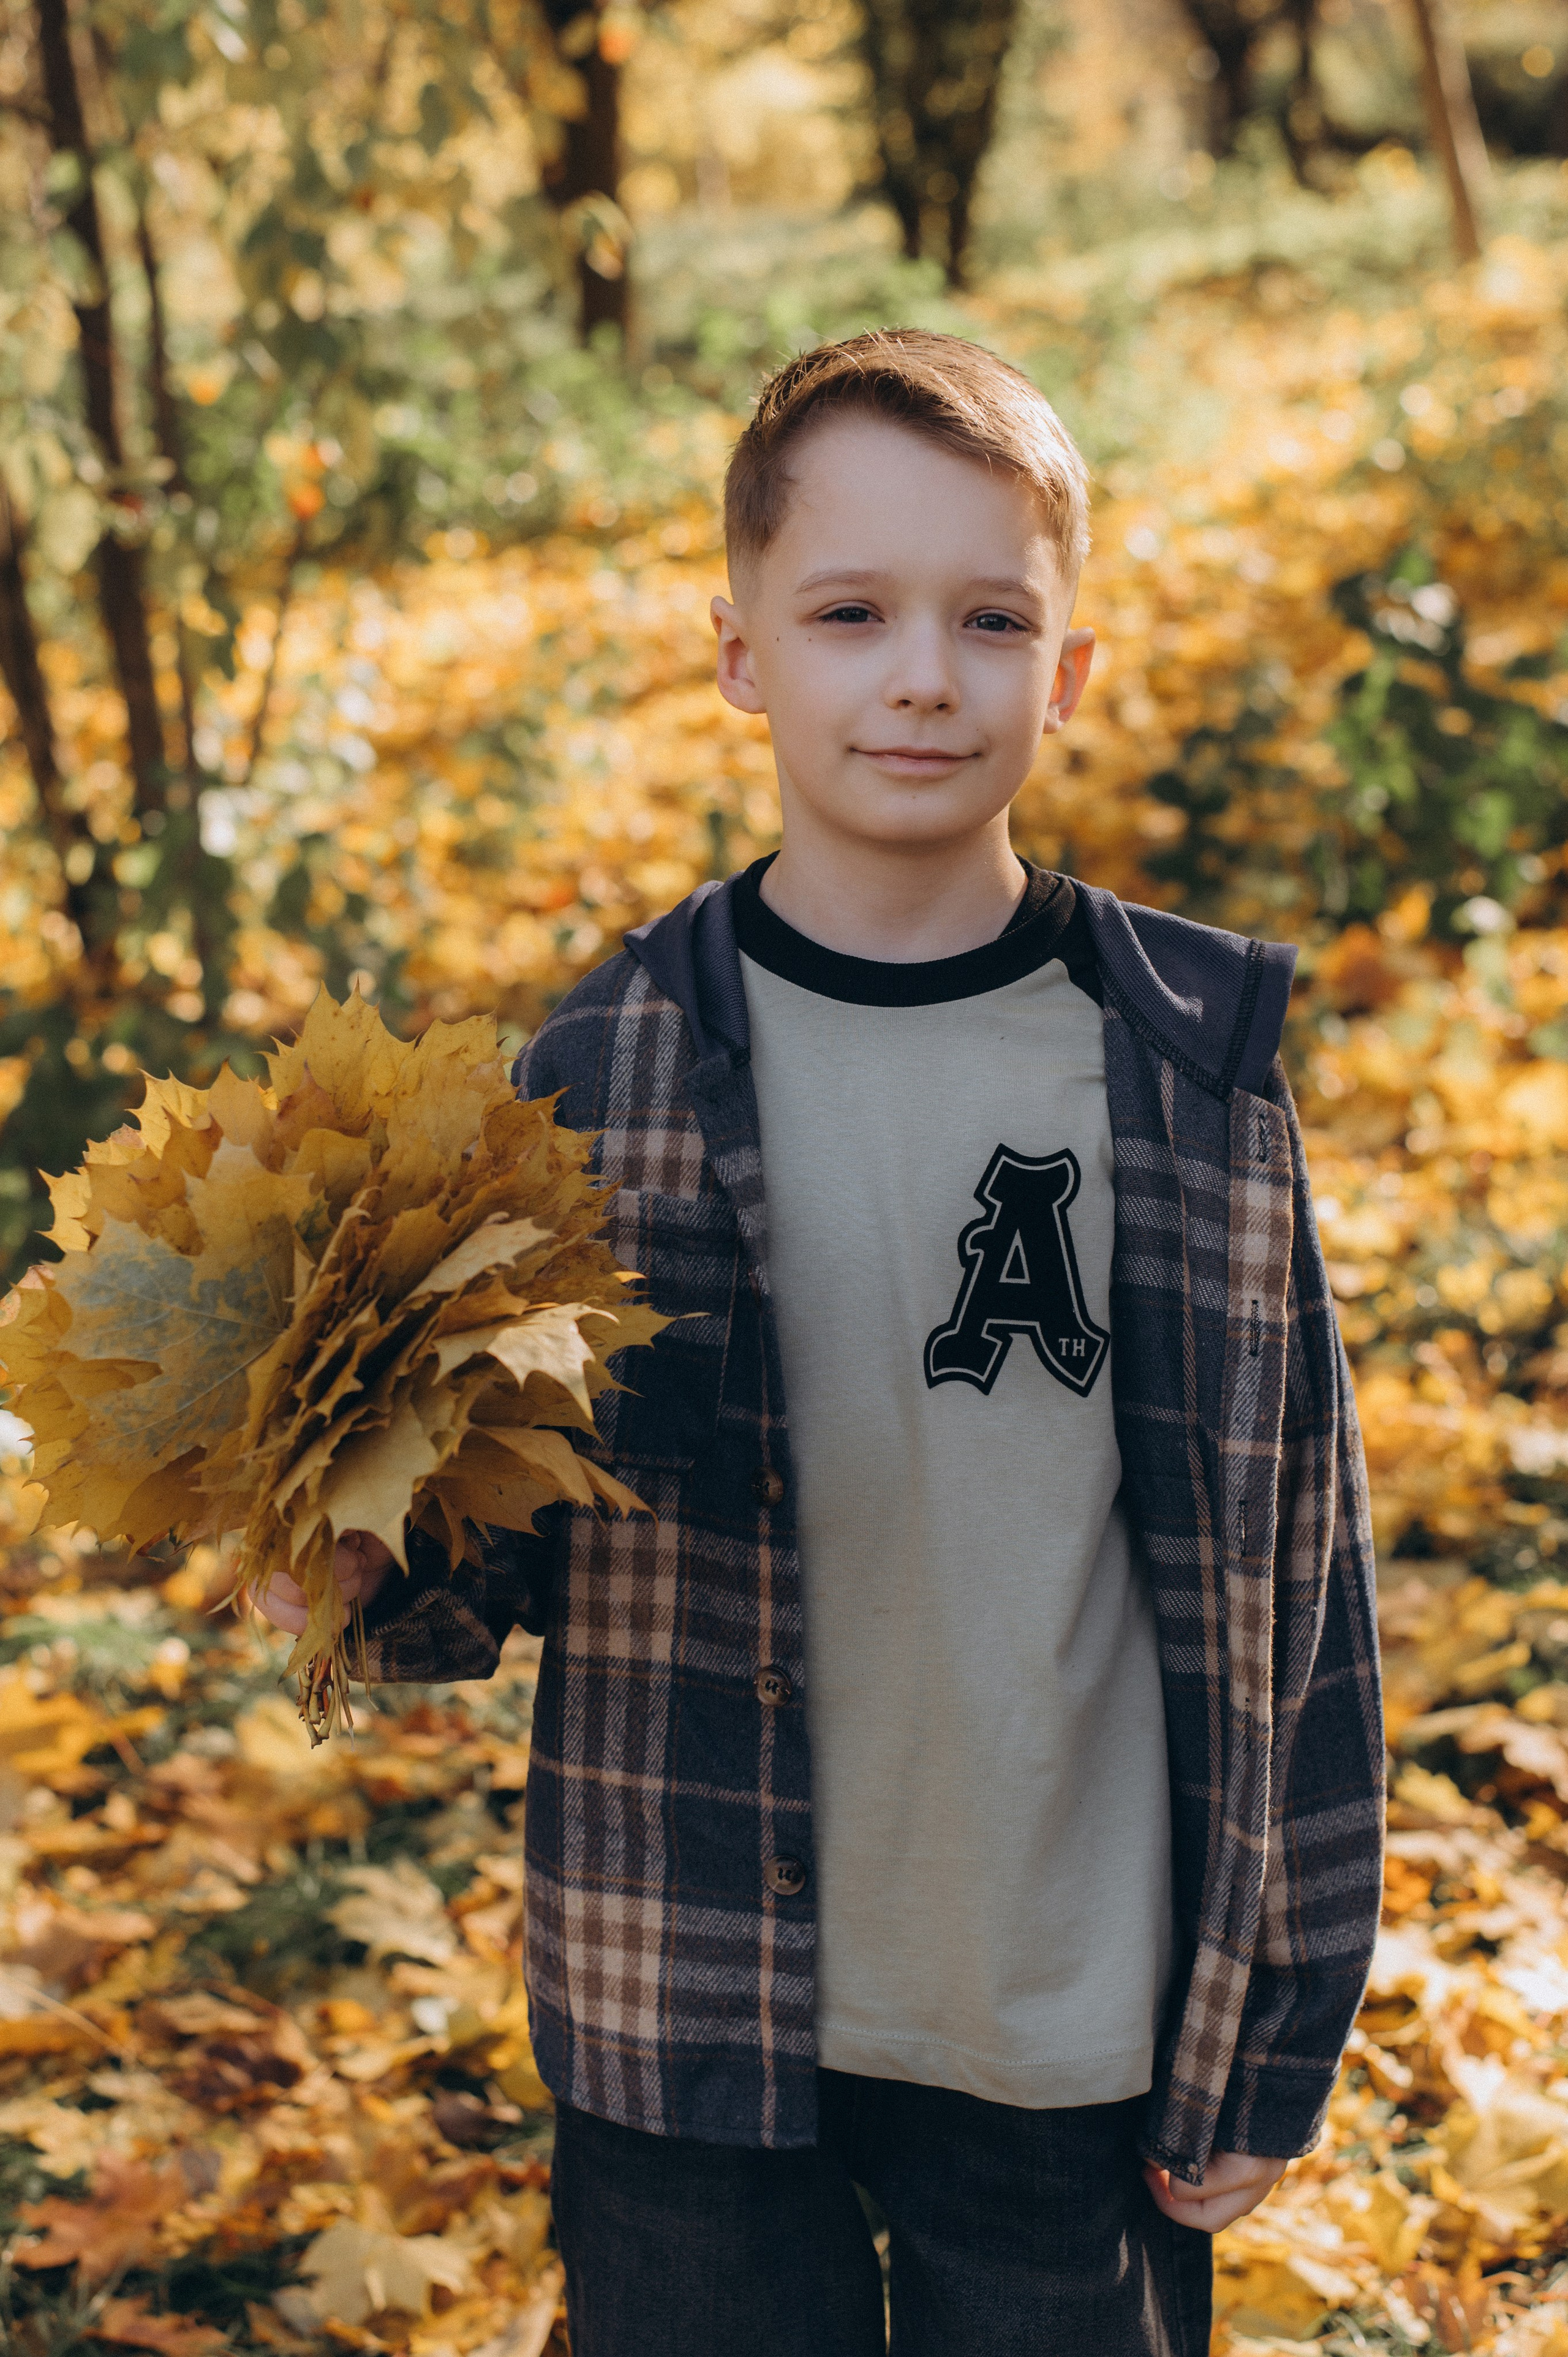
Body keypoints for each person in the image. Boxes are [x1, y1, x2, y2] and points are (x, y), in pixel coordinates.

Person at [257, 329, 1384, 2357]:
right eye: (852, 614)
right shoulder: (597, 1071)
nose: (925, 675)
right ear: (743, 654)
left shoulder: (1184, 1074)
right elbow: (481, 1552)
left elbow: (1291, 1567)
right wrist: (350, 1544)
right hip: (685, 2000)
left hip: (1064, 2006)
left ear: (1074, 670)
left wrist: (1270, 2019)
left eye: (991, 618)